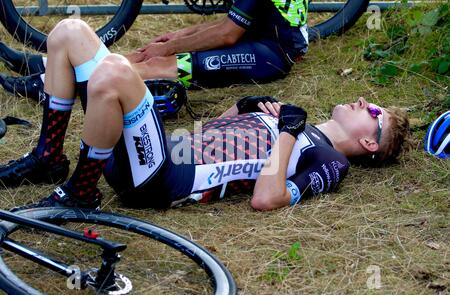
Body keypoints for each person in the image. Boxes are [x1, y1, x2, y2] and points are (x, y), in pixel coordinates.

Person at [0, 19, 410, 211]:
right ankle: (50, 158)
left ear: (368, 142)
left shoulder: (332, 161)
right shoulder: (291, 119)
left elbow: (267, 198)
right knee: (69, 33)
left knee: (115, 73)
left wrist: (288, 131)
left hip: (164, 179)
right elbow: (216, 132)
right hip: (159, 150)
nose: (364, 102)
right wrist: (247, 107)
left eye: (374, 112)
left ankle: (80, 195)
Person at [0, 0, 309, 101]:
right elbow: (238, 22)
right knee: (136, 57)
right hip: (256, 40)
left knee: (156, 66)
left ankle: (46, 86)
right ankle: (45, 63)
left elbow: (228, 35)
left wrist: (172, 46)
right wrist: (180, 33)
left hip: (268, 57)